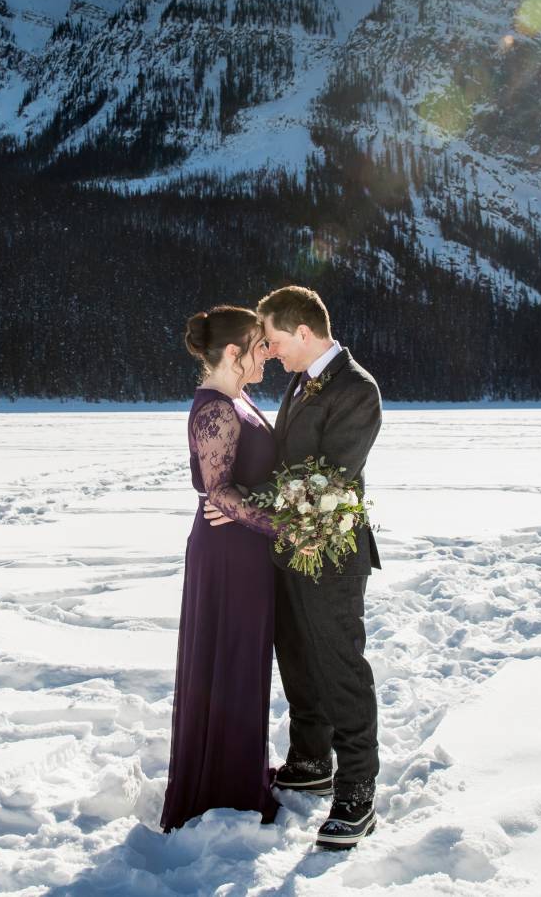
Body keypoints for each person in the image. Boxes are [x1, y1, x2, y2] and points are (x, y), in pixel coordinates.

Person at [205, 285, 383, 850]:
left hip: (332, 554)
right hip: (288, 548)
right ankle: (312, 758)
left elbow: (326, 483)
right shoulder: (301, 383)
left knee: (339, 665)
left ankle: (358, 791)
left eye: (277, 341)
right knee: (298, 657)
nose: (272, 352)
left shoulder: (356, 390)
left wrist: (240, 506)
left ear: (303, 333)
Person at [160, 305, 281, 833]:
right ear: (233, 352)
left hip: (245, 547)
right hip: (227, 555)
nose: (267, 354)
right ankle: (219, 788)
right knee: (226, 658)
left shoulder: (239, 399)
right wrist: (289, 526)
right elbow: (219, 492)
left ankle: (242, 773)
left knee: (245, 660)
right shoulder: (214, 408)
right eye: (259, 346)